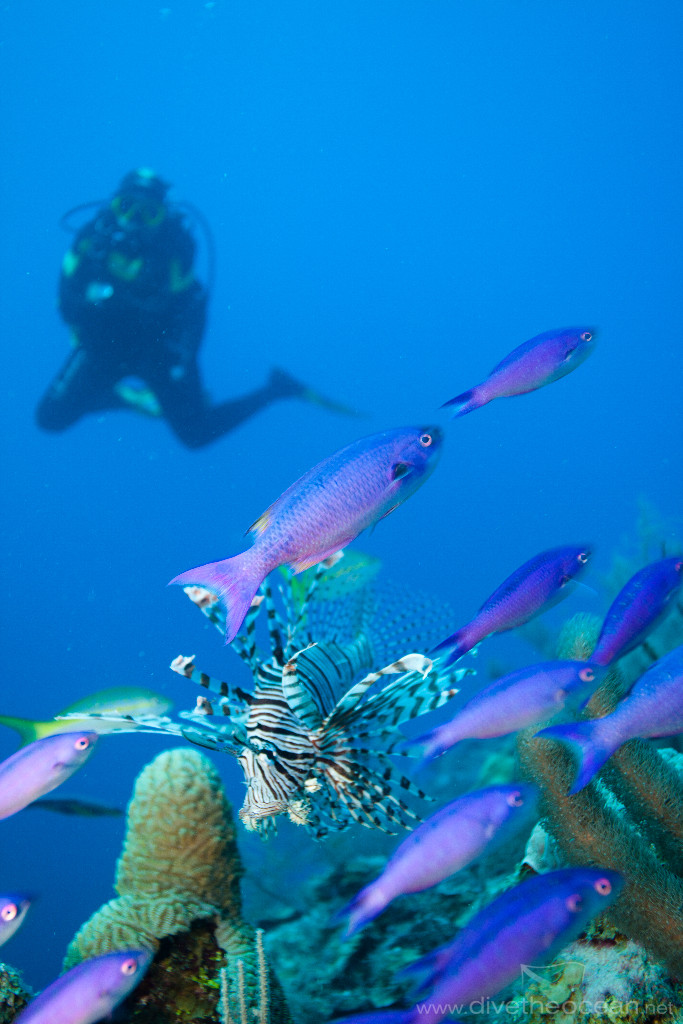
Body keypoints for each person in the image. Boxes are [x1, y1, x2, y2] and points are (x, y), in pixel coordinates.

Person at [36, 168, 346, 448]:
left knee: (196, 434)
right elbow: (66, 297)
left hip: (159, 353)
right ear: (113, 205)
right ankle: (132, 399)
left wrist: (181, 363)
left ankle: (276, 389)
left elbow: (189, 312)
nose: (135, 218)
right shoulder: (91, 240)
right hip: (102, 346)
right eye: (127, 206)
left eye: (149, 212)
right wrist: (85, 322)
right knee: (50, 418)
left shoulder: (176, 249)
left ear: (162, 216)